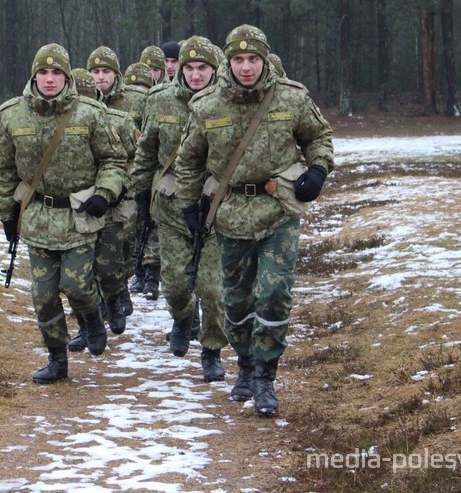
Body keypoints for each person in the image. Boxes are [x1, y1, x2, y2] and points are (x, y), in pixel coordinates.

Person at [172, 25, 334, 416]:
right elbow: (190, 161)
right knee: (237, 300)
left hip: (279, 212)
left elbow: (319, 137)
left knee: (274, 295)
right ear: (228, 61)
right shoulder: (207, 104)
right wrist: (189, 207)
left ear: (264, 60)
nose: (246, 67)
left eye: (254, 59)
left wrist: (318, 170)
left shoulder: (291, 97)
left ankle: (265, 376)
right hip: (229, 215)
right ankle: (244, 363)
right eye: (239, 59)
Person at [0, 44, 127, 384]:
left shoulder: (89, 113)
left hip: (78, 217)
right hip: (38, 216)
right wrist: (7, 214)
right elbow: (5, 170)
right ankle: (57, 358)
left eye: (56, 73)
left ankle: (93, 318)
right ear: (34, 75)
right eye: (43, 72)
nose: (49, 79)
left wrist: (105, 193)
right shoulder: (12, 115)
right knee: (44, 297)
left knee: (78, 285)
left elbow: (113, 160)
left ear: (66, 76)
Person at [131, 35, 227, 382]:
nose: (196, 74)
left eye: (203, 68)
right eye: (189, 67)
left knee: (213, 290)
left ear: (215, 69)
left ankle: (212, 350)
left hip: (213, 209)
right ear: (178, 69)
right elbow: (146, 152)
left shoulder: (227, 102)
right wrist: (140, 193)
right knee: (174, 285)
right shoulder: (159, 101)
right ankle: (183, 317)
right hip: (171, 209)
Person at [66, 68, 137, 350]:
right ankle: (86, 325)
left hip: (109, 207)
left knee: (108, 266)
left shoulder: (118, 121)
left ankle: (114, 300)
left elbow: (133, 162)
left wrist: (117, 190)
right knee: (79, 275)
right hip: (77, 209)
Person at [87, 46, 146, 129]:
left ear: (115, 73)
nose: (100, 77)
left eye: (106, 71)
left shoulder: (137, 98)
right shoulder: (84, 99)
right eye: (96, 72)